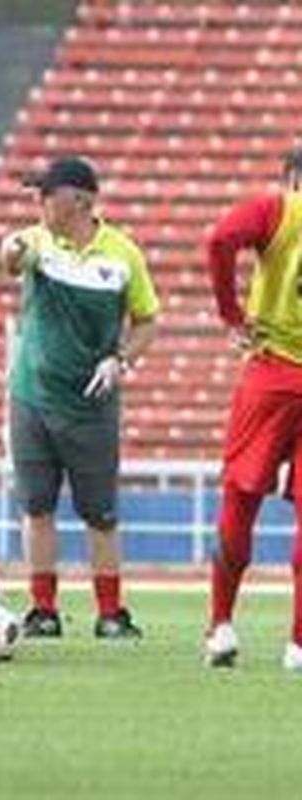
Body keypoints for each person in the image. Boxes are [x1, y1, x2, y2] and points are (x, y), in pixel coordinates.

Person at [0, 156, 160, 640]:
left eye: (46, 194)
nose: (39, 203)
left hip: (91, 404)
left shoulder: (123, 255)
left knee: (100, 513)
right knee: (37, 507)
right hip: (31, 395)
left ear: (78, 201)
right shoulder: (36, 241)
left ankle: (111, 612)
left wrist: (120, 359)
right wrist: (10, 249)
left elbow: (147, 320)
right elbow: (12, 254)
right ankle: (42, 608)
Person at [203, 148, 302, 671]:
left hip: (272, 373)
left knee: (240, 499)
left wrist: (231, 313)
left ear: (290, 177)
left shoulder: (277, 209)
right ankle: (299, 644)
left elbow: (219, 239)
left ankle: (221, 626)